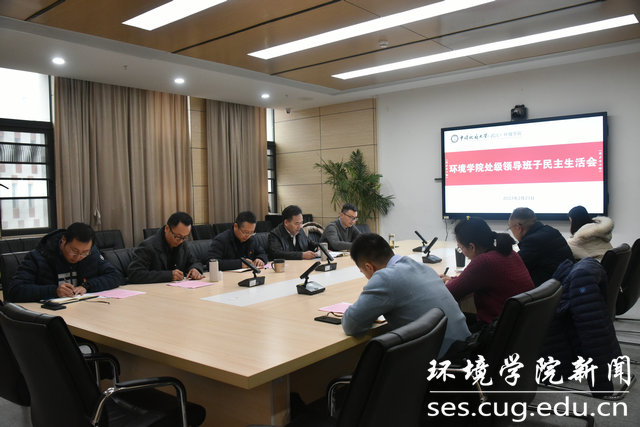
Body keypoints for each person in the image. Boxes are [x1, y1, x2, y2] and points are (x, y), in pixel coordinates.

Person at [342, 233, 470, 358]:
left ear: (369, 267)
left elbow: (352, 325)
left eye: (363, 272)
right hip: (466, 348)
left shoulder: (385, 278)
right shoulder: (423, 267)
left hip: (441, 361)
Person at [442, 217, 534, 327]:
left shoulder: (484, 262)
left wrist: (446, 282)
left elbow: (448, 293)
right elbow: (470, 280)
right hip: (521, 325)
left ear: (472, 247)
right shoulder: (509, 253)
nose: (463, 253)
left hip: (498, 329)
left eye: (461, 248)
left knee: (444, 322)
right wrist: (454, 280)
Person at [5, 222, 123, 302]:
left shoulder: (91, 254)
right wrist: (54, 291)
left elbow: (115, 275)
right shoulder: (38, 256)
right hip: (50, 317)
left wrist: (87, 286)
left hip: (85, 310)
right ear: (63, 240)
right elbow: (15, 290)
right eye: (74, 251)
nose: (78, 257)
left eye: (84, 252)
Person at [128, 212, 204, 284]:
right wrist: (169, 276)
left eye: (185, 237)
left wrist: (195, 269)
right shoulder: (148, 246)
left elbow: (195, 261)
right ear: (167, 228)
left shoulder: (183, 244)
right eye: (177, 236)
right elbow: (134, 274)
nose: (181, 241)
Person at [508, 207, 573, 287]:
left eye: (510, 228)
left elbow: (514, 267)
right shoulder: (550, 230)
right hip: (562, 282)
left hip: (549, 288)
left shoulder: (532, 241)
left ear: (518, 227)